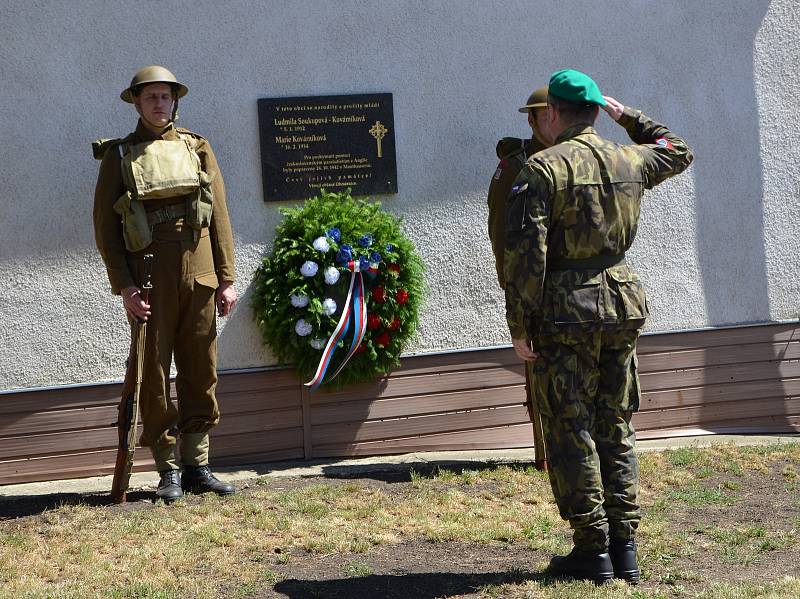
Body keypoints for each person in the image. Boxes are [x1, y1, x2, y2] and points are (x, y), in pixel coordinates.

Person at [504, 69, 693, 583]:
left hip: (565, 313)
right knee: (615, 424)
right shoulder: (629, 158)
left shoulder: (544, 169)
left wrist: (520, 322)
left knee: (571, 427)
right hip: (621, 305)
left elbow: (528, 254)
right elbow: (677, 149)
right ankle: (625, 544)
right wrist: (628, 116)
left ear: (554, 114)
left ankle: (594, 549)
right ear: (593, 110)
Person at [93, 65, 238, 502]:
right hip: (150, 278)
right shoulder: (120, 156)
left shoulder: (197, 148)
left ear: (175, 101)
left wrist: (227, 278)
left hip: (200, 274)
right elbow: (106, 228)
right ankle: (169, 468)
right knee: (153, 374)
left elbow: (220, 217)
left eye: (166, 96)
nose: (159, 104)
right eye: (151, 96)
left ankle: (198, 465)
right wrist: (125, 288)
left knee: (201, 368)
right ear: (136, 102)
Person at [487, 85, 551, 468]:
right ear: (531, 120)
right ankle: (545, 456)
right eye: (545, 115)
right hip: (532, 287)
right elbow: (500, 230)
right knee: (540, 377)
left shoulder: (576, 158)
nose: (553, 121)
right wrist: (510, 285)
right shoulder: (514, 166)